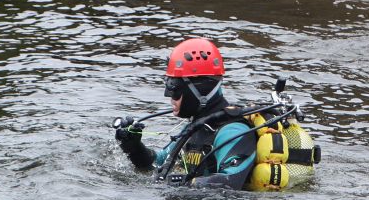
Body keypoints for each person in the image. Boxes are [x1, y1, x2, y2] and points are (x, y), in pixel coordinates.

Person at [113, 38, 316, 189]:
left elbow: (231, 182)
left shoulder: (233, 130)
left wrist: (187, 183)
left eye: (174, 89)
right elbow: (157, 165)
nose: (169, 97)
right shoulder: (195, 126)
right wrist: (133, 146)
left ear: (199, 89)